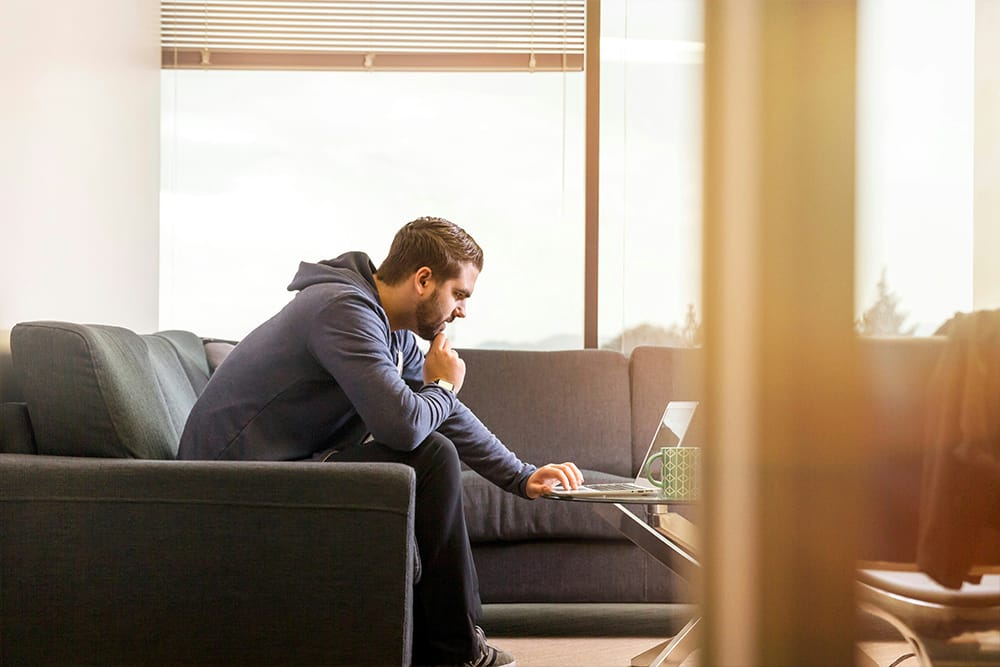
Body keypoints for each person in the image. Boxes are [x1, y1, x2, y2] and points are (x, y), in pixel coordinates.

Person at [178, 216, 584, 667]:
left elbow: (444, 415)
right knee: (430, 455)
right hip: (228, 485)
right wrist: (443, 387)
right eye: (459, 294)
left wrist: (521, 476)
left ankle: (452, 645)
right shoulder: (342, 311)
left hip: (284, 468)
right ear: (423, 280)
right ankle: (455, 651)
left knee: (433, 449)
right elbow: (404, 427)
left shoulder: (389, 331)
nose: (462, 311)